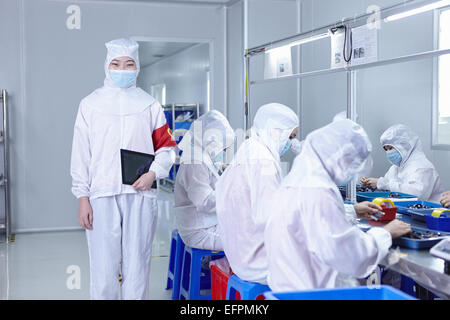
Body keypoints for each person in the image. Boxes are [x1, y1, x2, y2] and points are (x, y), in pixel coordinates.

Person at [70, 38, 177, 300]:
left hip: (140, 194)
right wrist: (82, 197)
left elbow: (167, 147)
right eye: (116, 64)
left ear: (137, 67)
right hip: (101, 194)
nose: (122, 69)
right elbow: (81, 154)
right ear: (107, 66)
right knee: (103, 267)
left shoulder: (149, 105)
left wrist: (153, 172)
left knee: (138, 264)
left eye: (129, 64)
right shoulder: (90, 105)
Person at [264, 119, 411, 292]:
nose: (352, 170)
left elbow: (311, 222)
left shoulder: (298, 180)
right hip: (311, 292)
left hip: (285, 286)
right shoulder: (320, 191)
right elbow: (350, 255)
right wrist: (386, 233)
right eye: (352, 163)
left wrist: (352, 210)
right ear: (338, 157)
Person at [215, 103, 300, 284]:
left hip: (240, 252)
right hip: (258, 262)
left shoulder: (250, 148)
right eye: (290, 136)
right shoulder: (264, 161)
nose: (289, 143)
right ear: (275, 131)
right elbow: (271, 217)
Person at [174, 110, 235, 251]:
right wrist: (232, 194)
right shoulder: (195, 162)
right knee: (249, 241)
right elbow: (205, 202)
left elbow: (209, 172)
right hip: (200, 230)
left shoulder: (200, 155)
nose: (224, 151)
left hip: (205, 223)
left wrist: (224, 170)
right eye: (223, 147)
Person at [361, 124, 443, 203]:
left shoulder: (423, 167)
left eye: (391, 148)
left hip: (430, 213)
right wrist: (371, 185)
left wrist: (381, 183)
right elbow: (387, 189)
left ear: (405, 146)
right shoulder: (395, 167)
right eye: (386, 149)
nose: (389, 152)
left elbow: (415, 195)